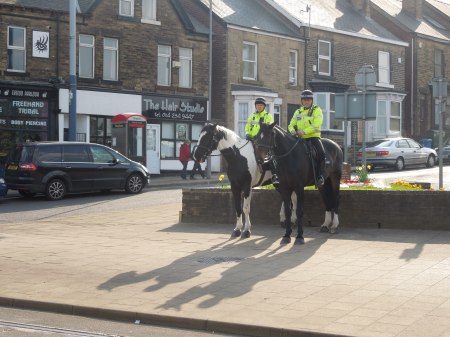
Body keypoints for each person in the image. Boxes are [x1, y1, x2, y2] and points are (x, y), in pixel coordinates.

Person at [288, 89, 326, 187]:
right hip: (300, 139)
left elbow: (317, 124)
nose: (306, 102)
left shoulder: (317, 110)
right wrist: (292, 130)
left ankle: (320, 176)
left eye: (308, 100)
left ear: (312, 100)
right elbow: (291, 124)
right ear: (302, 101)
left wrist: (304, 131)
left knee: (321, 153)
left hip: (313, 137)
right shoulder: (298, 111)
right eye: (304, 100)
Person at [244, 97, 279, 186]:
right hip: (252, 140)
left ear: (264, 107)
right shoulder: (252, 116)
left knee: (271, 157)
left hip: (263, 142)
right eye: (258, 105)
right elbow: (247, 127)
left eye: (261, 105)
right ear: (256, 106)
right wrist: (248, 134)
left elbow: (268, 129)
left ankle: (275, 175)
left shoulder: (268, 116)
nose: (259, 107)